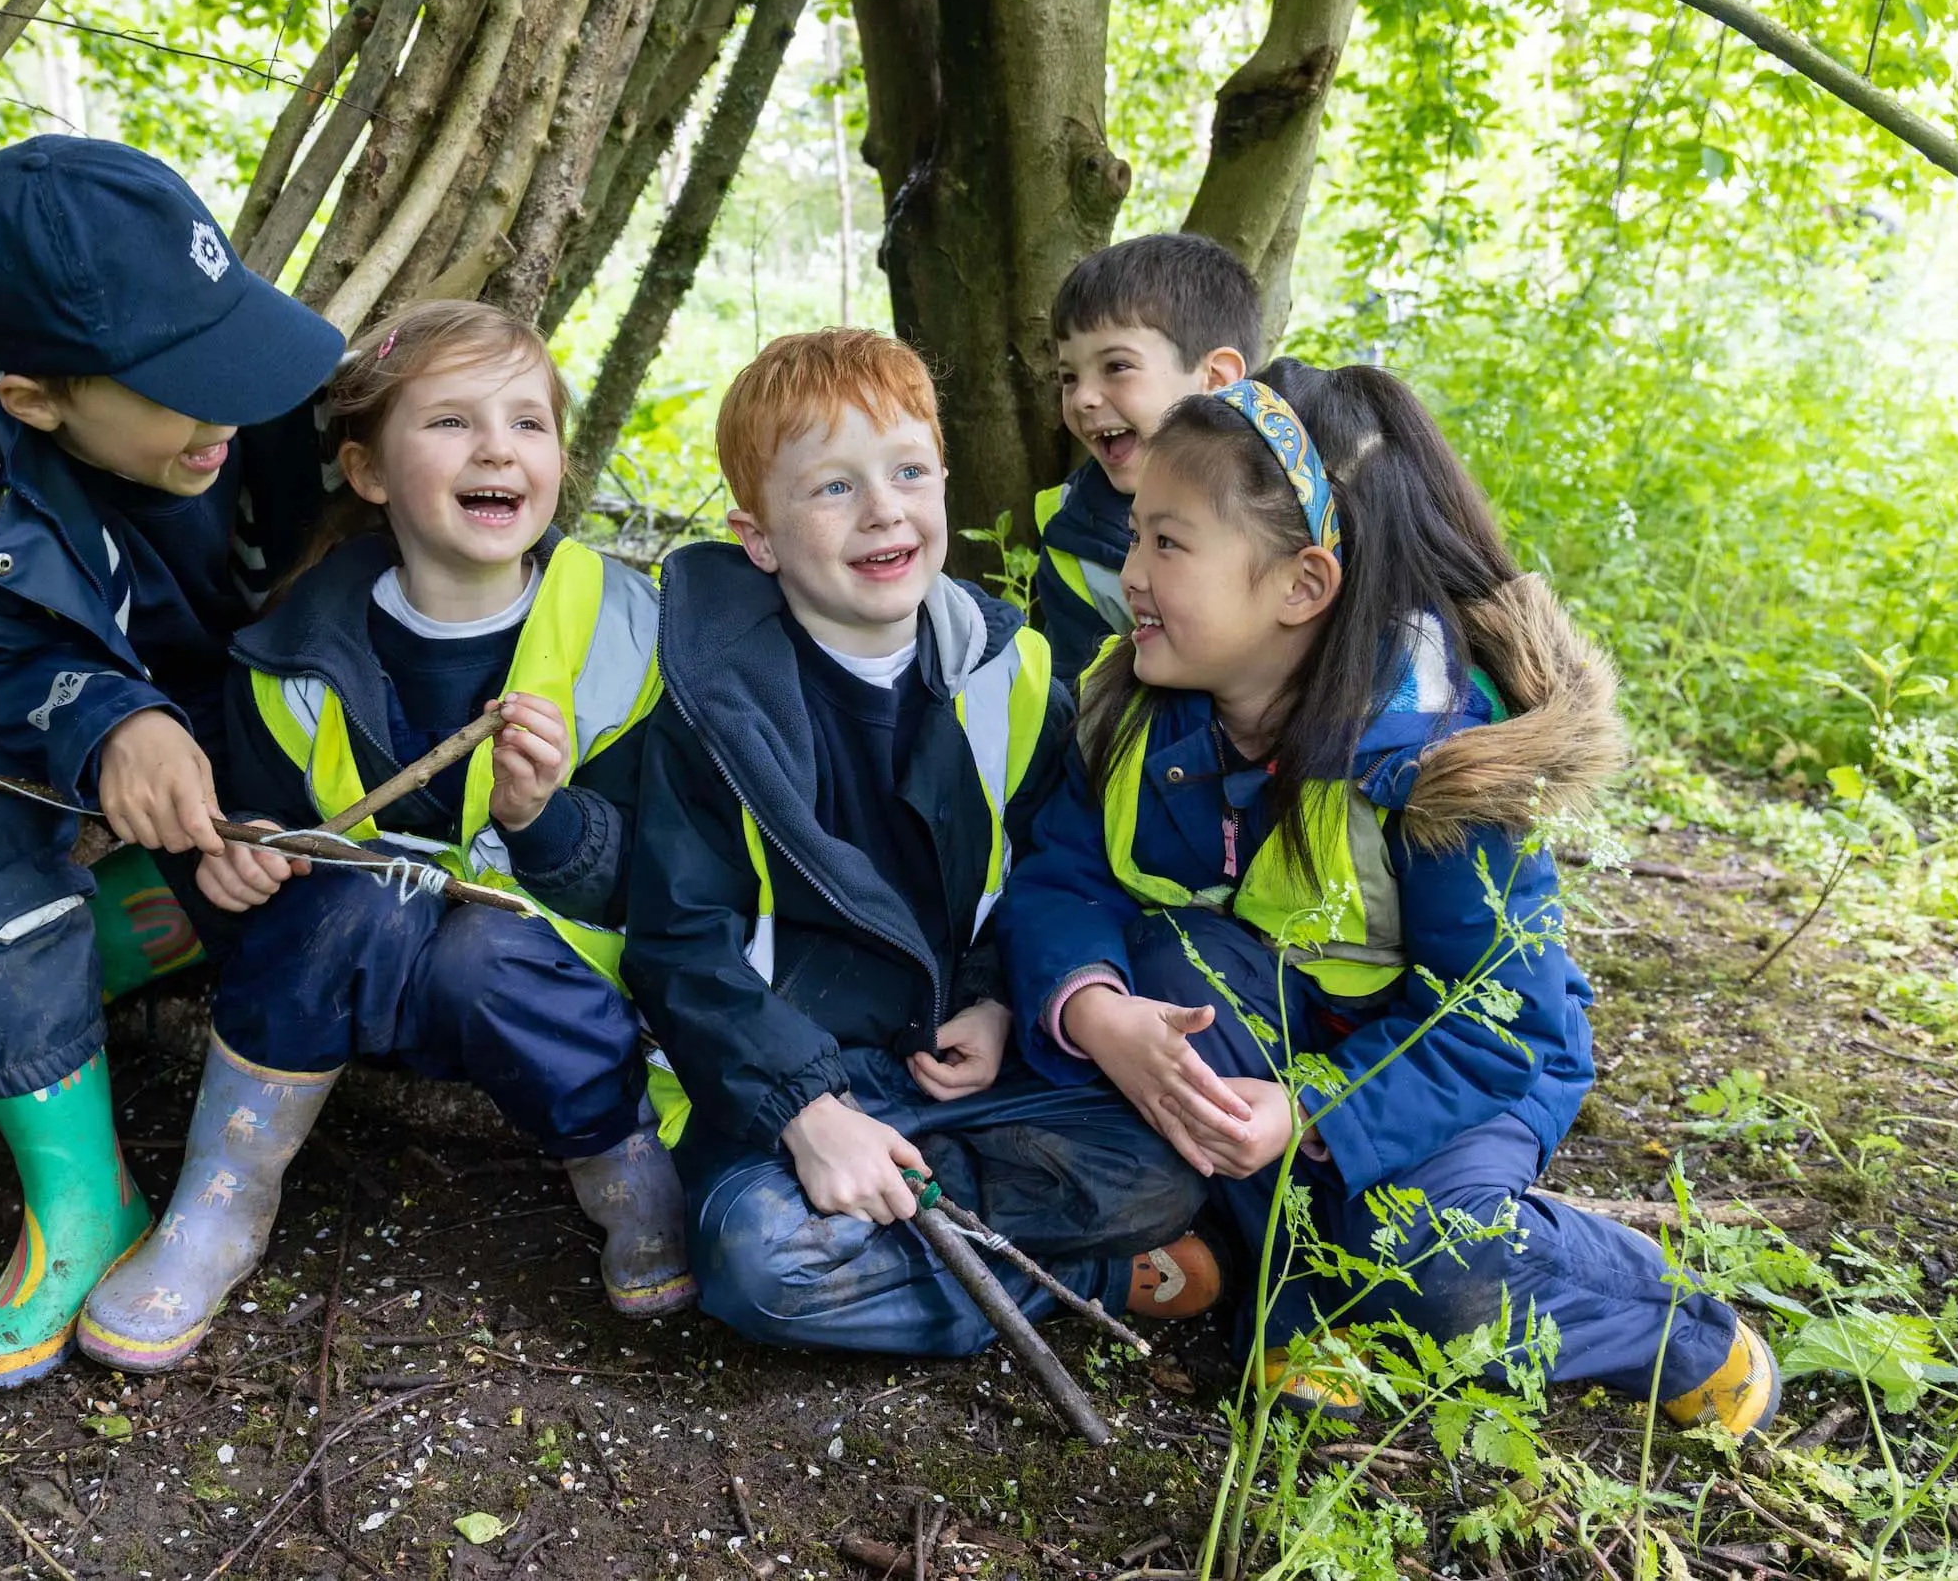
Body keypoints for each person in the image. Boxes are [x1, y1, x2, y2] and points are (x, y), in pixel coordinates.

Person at [999, 366, 1781, 1435]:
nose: (1131, 572)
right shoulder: (1135, 709)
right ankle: (1296, 1297)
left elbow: (1490, 1021)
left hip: (1459, 1074)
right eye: (1135, 537)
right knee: (1160, 961)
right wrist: (1093, 1005)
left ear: (1301, 588)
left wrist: (1310, 1107)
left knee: (1424, 1262)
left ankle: (1667, 1325)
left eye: (1168, 545)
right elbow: (1063, 876)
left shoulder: (1438, 760)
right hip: (1278, 1037)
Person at [0, 136, 345, 1395]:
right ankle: (80, 1200)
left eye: (229, 354)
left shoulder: (249, 403)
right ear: (36, 397)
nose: (229, 409)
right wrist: (102, 716)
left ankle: (87, 952)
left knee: (300, 846)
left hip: (220, 670)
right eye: (178, 387)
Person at [76, 299, 691, 1373]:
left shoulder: (625, 635)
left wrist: (542, 819)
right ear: (366, 473)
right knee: (348, 904)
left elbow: (655, 878)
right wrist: (240, 856)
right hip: (339, 987)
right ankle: (221, 1204)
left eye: (527, 423)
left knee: (481, 944)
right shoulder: (290, 650)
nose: (497, 447)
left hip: (549, 993)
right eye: (451, 423)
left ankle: (621, 1161)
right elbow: (257, 833)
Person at [621, 327, 1214, 1357]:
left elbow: (1046, 878)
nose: (883, 509)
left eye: (905, 472)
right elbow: (681, 945)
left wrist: (992, 998)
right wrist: (807, 1110)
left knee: (1163, 1164)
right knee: (757, 1261)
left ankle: (941, 1236)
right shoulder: (710, 703)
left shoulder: (1014, 677)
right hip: (796, 1085)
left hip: (966, 1088)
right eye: (832, 489)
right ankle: (1092, 1274)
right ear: (756, 536)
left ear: (942, 482)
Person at [1035, 233, 1261, 679]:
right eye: (1068, 376)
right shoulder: (1072, 540)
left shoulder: (1302, 502)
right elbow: (1080, 700)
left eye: (1116, 366)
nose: (1082, 398)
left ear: (1215, 379)